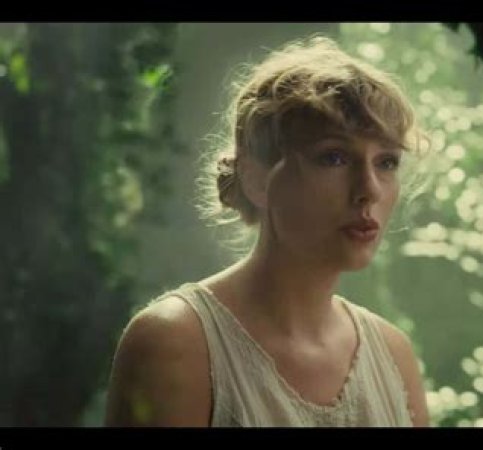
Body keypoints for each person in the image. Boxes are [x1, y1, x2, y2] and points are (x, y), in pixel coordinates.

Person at [105, 35, 430, 427]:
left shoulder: (393, 356)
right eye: (334, 157)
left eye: (387, 162)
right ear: (256, 178)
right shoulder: (175, 344)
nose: (370, 190)